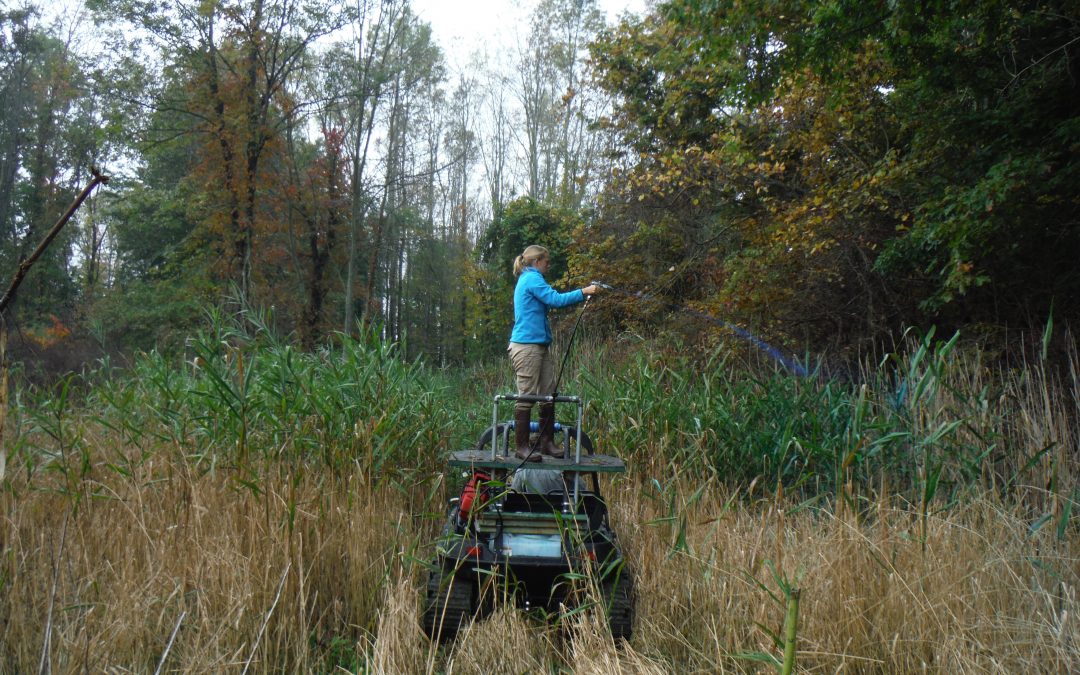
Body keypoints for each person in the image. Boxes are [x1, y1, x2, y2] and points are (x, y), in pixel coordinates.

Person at [508, 244, 599, 462]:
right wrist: (584, 292)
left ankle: (545, 442)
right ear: (536, 261)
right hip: (526, 346)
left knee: (548, 393)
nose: (548, 266)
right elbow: (555, 300)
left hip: (538, 345)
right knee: (527, 395)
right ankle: (521, 447)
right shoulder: (531, 278)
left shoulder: (530, 278)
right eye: (546, 262)